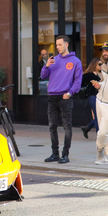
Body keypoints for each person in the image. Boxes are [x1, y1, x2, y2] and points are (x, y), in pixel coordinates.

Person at [40, 35, 83, 164]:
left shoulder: (75, 61)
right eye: (56, 45)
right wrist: (47, 65)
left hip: (65, 97)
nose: (57, 47)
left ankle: (65, 155)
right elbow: (43, 76)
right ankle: (55, 154)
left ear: (66, 45)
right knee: (52, 126)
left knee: (66, 127)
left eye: (60, 44)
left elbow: (78, 81)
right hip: (52, 97)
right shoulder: (54, 60)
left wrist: (70, 93)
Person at [80, 58, 103, 138]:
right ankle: (99, 136)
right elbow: (80, 82)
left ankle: (87, 127)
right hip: (92, 96)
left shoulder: (103, 74)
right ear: (95, 64)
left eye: (102, 64)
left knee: (103, 116)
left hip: (102, 97)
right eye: (99, 64)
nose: (101, 66)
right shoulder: (88, 75)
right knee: (97, 116)